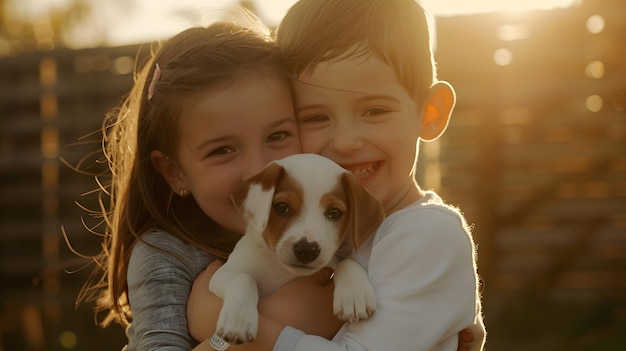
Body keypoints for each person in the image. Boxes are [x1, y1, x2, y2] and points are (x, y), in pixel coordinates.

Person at [187, 0, 486, 350]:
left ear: (430, 113)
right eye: (316, 117)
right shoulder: (315, 232)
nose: (345, 143)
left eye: (375, 110)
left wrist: (225, 329)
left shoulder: (429, 235)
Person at [74, 15, 342, 351]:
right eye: (223, 150)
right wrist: (260, 330)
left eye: (277, 135)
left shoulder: (336, 226)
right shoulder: (166, 255)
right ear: (175, 173)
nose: (259, 170)